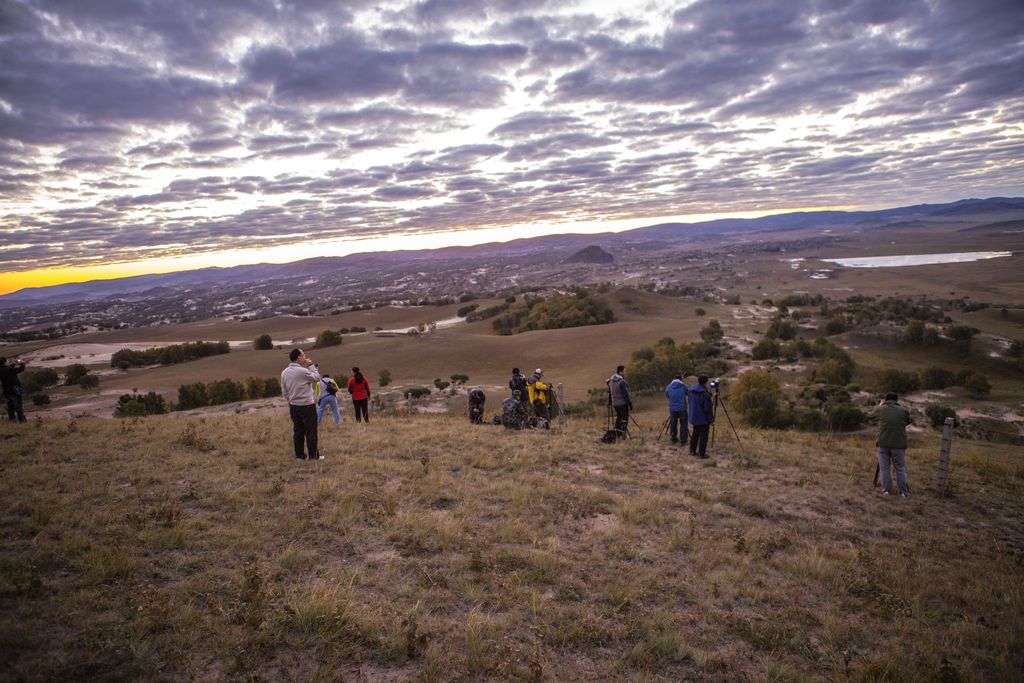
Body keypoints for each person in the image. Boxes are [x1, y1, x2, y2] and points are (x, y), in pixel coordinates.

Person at [281, 348, 321, 460]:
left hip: (294, 405)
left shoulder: (284, 372)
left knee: (298, 431)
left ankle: (299, 455)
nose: (305, 357)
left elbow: (284, 391)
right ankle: (313, 456)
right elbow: (317, 378)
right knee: (311, 430)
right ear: (299, 357)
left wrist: (291, 401)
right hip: (307, 405)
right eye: (303, 355)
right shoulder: (303, 371)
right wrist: (312, 365)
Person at [876, 392, 912, 497]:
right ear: (897, 400)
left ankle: (886, 490)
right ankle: (903, 493)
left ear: (886, 400)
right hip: (898, 444)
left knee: (884, 468)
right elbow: (908, 421)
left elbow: (870, 415)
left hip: (883, 442)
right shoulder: (903, 410)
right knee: (900, 469)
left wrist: (880, 406)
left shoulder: (881, 409)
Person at [688, 374, 714, 459]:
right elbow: (707, 409)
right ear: (705, 382)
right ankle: (701, 453)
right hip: (703, 418)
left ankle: (692, 450)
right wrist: (711, 420)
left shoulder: (692, 390)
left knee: (695, 433)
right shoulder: (704, 394)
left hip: (694, 416)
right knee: (703, 435)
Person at [0, 356, 27, 423]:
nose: (8, 361)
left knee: (10, 406)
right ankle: (22, 420)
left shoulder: (2, 369)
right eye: (7, 360)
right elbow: (21, 369)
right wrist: (21, 361)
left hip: (6, 390)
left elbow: (7, 369)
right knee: (18, 406)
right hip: (14, 389)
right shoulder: (9, 369)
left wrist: (13, 364)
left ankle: (12, 420)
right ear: (4, 362)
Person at [665, 374, 689, 447]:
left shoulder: (668, 387)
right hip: (682, 408)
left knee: (673, 424)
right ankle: (683, 441)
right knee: (683, 425)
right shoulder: (684, 386)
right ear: (681, 379)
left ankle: (673, 438)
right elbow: (688, 393)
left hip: (672, 408)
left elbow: (667, 395)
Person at [607, 365, 632, 434]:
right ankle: (622, 433)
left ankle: (617, 432)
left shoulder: (611, 380)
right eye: (624, 371)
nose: (625, 373)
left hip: (615, 403)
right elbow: (625, 394)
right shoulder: (621, 381)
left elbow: (609, 390)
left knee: (619, 417)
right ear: (620, 372)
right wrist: (629, 403)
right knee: (624, 419)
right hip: (622, 403)